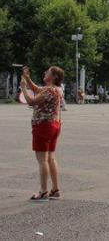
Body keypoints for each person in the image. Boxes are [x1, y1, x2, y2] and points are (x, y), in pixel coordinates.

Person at [20, 65, 64, 201]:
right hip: (54, 124)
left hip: (44, 125)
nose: (45, 72)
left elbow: (32, 101)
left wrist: (23, 89)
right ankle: (55, 189)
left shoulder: (50, 90)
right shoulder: (56, 89)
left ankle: (43, 192)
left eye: (48, 72)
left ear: (54, 76)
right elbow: (37, 89)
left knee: (42, 160)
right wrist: (27, 78)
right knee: (50, 158)